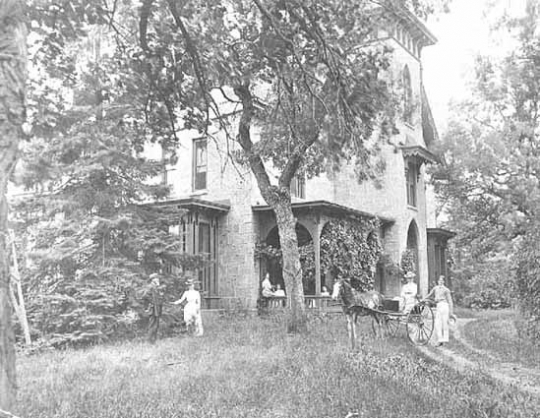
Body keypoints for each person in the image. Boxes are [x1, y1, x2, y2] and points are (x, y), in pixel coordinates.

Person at [426, 275, 455, 347]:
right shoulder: (435, 288)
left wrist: (451, 312)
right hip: (438, 305)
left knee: (445, 322)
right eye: (439, 280)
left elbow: (450, 300)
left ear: (444, 282)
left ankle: (445, 340)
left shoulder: (446, 290)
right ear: (437, 281)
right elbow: (429, 295)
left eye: (442, 281)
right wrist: (423, 299)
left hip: (444, 305)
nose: (440, 282)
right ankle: (440, 339)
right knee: (437, 323)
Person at [143, 273, 164, 344]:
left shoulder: (156, 287)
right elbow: (145, 296)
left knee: (156, 325)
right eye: (156, 278)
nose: (158, 279)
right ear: (153, 280)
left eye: (158, 278)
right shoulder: (150, 287)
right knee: (152, 324)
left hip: (157, 309)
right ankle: (149, 341)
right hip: (152, 309)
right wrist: (152, 302)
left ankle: (153, 341)